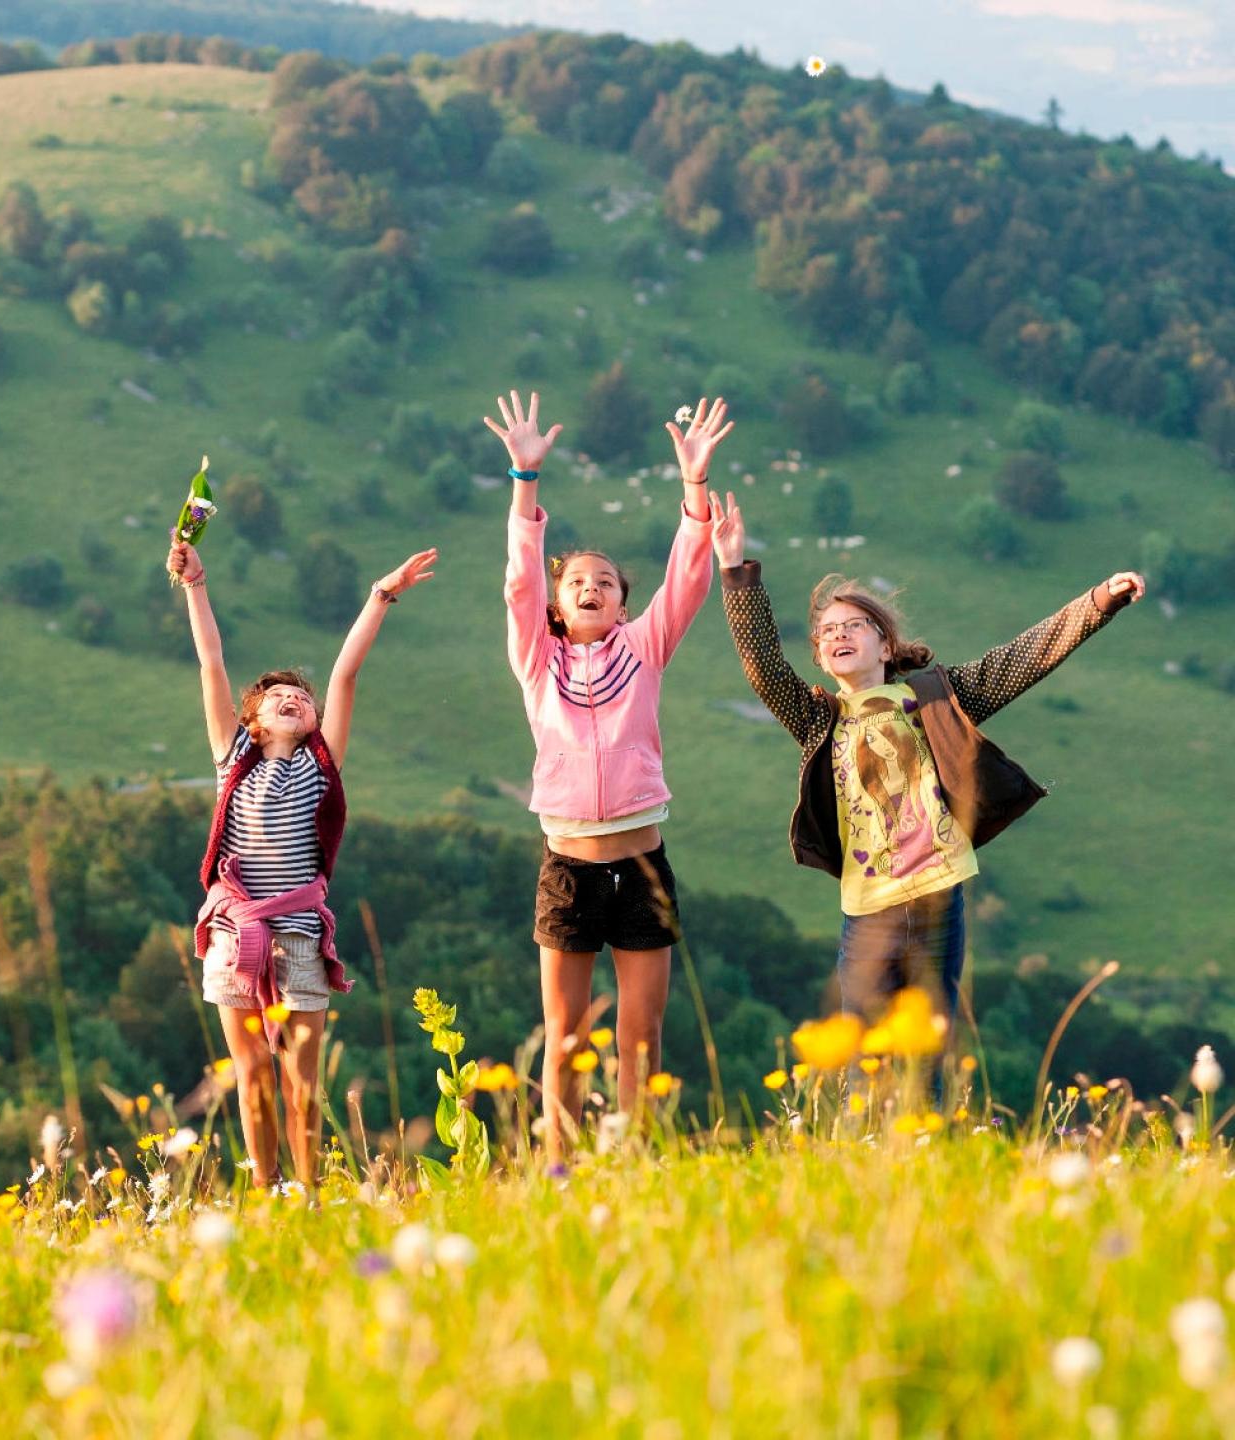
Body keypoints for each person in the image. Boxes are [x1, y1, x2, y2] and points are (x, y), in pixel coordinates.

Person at [708, 486, 1146, 1028]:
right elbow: (763, 665)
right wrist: (734, 570)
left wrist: (1098, 603)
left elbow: (1022, 659)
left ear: (886, 646)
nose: (838, 634)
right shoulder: (818, 719)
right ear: (821, 658)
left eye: (853, 626)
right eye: (826, 633)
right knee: (864, 1051)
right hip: (867, 906)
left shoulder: (938, 698)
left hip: (938, 894)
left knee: (928, 1044)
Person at [488, 390, 730, 1158]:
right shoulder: (538, 659)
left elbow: (689, 579)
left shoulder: (644, 649)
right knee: (565, 1035)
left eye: (607, 582)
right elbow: (520, 584)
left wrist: (694, 490)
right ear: (558, 609)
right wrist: (527, 483)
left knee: (640, 1034)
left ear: (626, 606)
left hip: (642, 867)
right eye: (577, 583)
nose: (591, 587)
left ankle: (634, 1157)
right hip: (567, 868)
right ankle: (556, 1161)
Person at [168, 526, 438, 1188]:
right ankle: (265, 1190)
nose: (295, 698)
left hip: (300, 933)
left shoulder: (323, 765)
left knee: (301, 1078)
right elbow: (210, 661)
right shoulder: (233, 755)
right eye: (277, 696)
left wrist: (381, 595)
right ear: (251, 719)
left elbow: (345, 671)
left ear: (315, 719)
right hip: (235, 931)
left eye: (303, 697)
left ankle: (309, 1191)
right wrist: (195, 585)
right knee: (253, 1072)